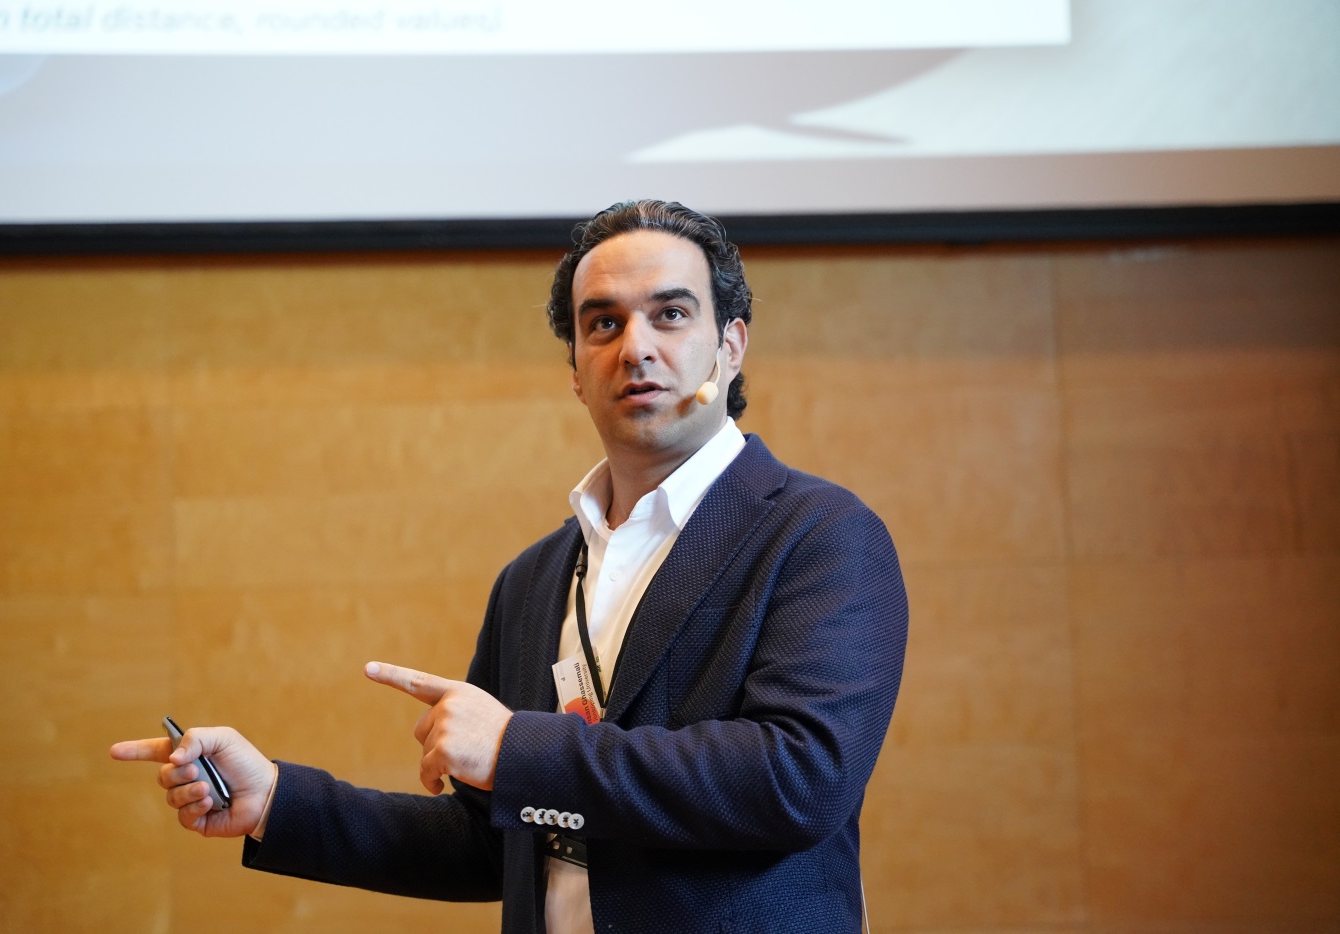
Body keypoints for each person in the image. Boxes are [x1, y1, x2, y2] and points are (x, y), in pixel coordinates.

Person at [111, 199, 908, 933]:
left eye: (671, 314)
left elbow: (801, 779)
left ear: (730, 345)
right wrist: (277, 801)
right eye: (603, 324)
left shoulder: (820, 534)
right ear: (575, 371)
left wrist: (517, 750)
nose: (636, 347)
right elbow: (492, 838)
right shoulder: (534, 580)